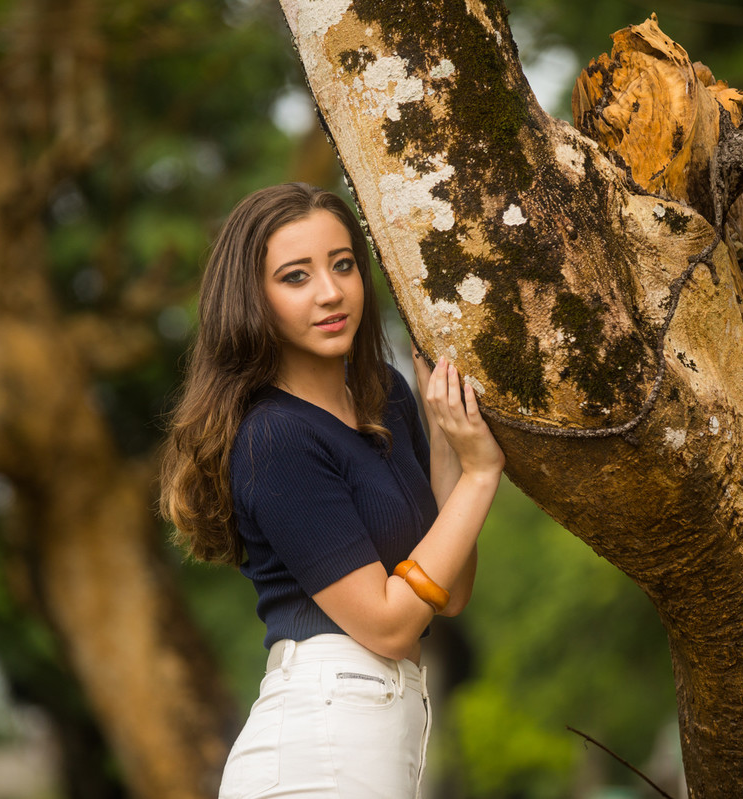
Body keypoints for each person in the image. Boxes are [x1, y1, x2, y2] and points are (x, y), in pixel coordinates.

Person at [159, 183, 505, 798]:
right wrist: (481, 476)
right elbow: (391, 625)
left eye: (343, 265)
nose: (331, 292)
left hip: (380, 727)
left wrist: (449, 441)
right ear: (252, 298)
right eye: (296, 277)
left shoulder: (386, 396)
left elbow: (448, 594)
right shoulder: (275, 439)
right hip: (322, 732)